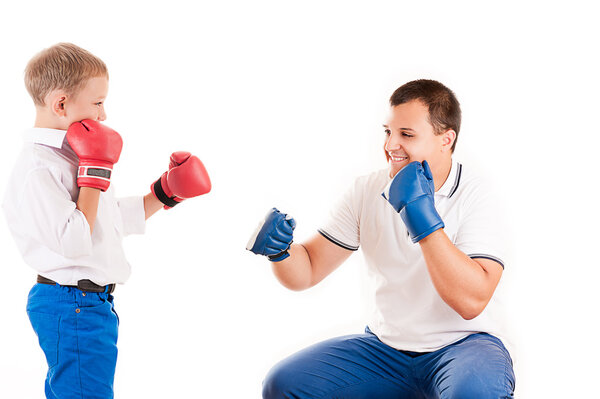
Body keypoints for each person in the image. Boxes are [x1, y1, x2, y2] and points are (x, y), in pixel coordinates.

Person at [247, 79, 515, 398]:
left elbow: (472, 301)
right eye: (388, 131)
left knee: (475, 394)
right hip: (384, 351)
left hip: (464, 346)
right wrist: (281, 252)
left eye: (407, 135)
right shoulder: (366, 190)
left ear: (446, 139)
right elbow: (308, 269)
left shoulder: (476, 195)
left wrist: (423, 219)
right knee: (285, 385)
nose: (390, 145)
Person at [1, 43, 211, 399]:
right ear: (61, 104)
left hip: (88, 305)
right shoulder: (39, 168)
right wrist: (93, 175)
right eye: (97, 103)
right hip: (71, 303)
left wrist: (164, 193)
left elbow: (106, 221)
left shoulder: (71, 156)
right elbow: (74, 243)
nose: (104, 114)